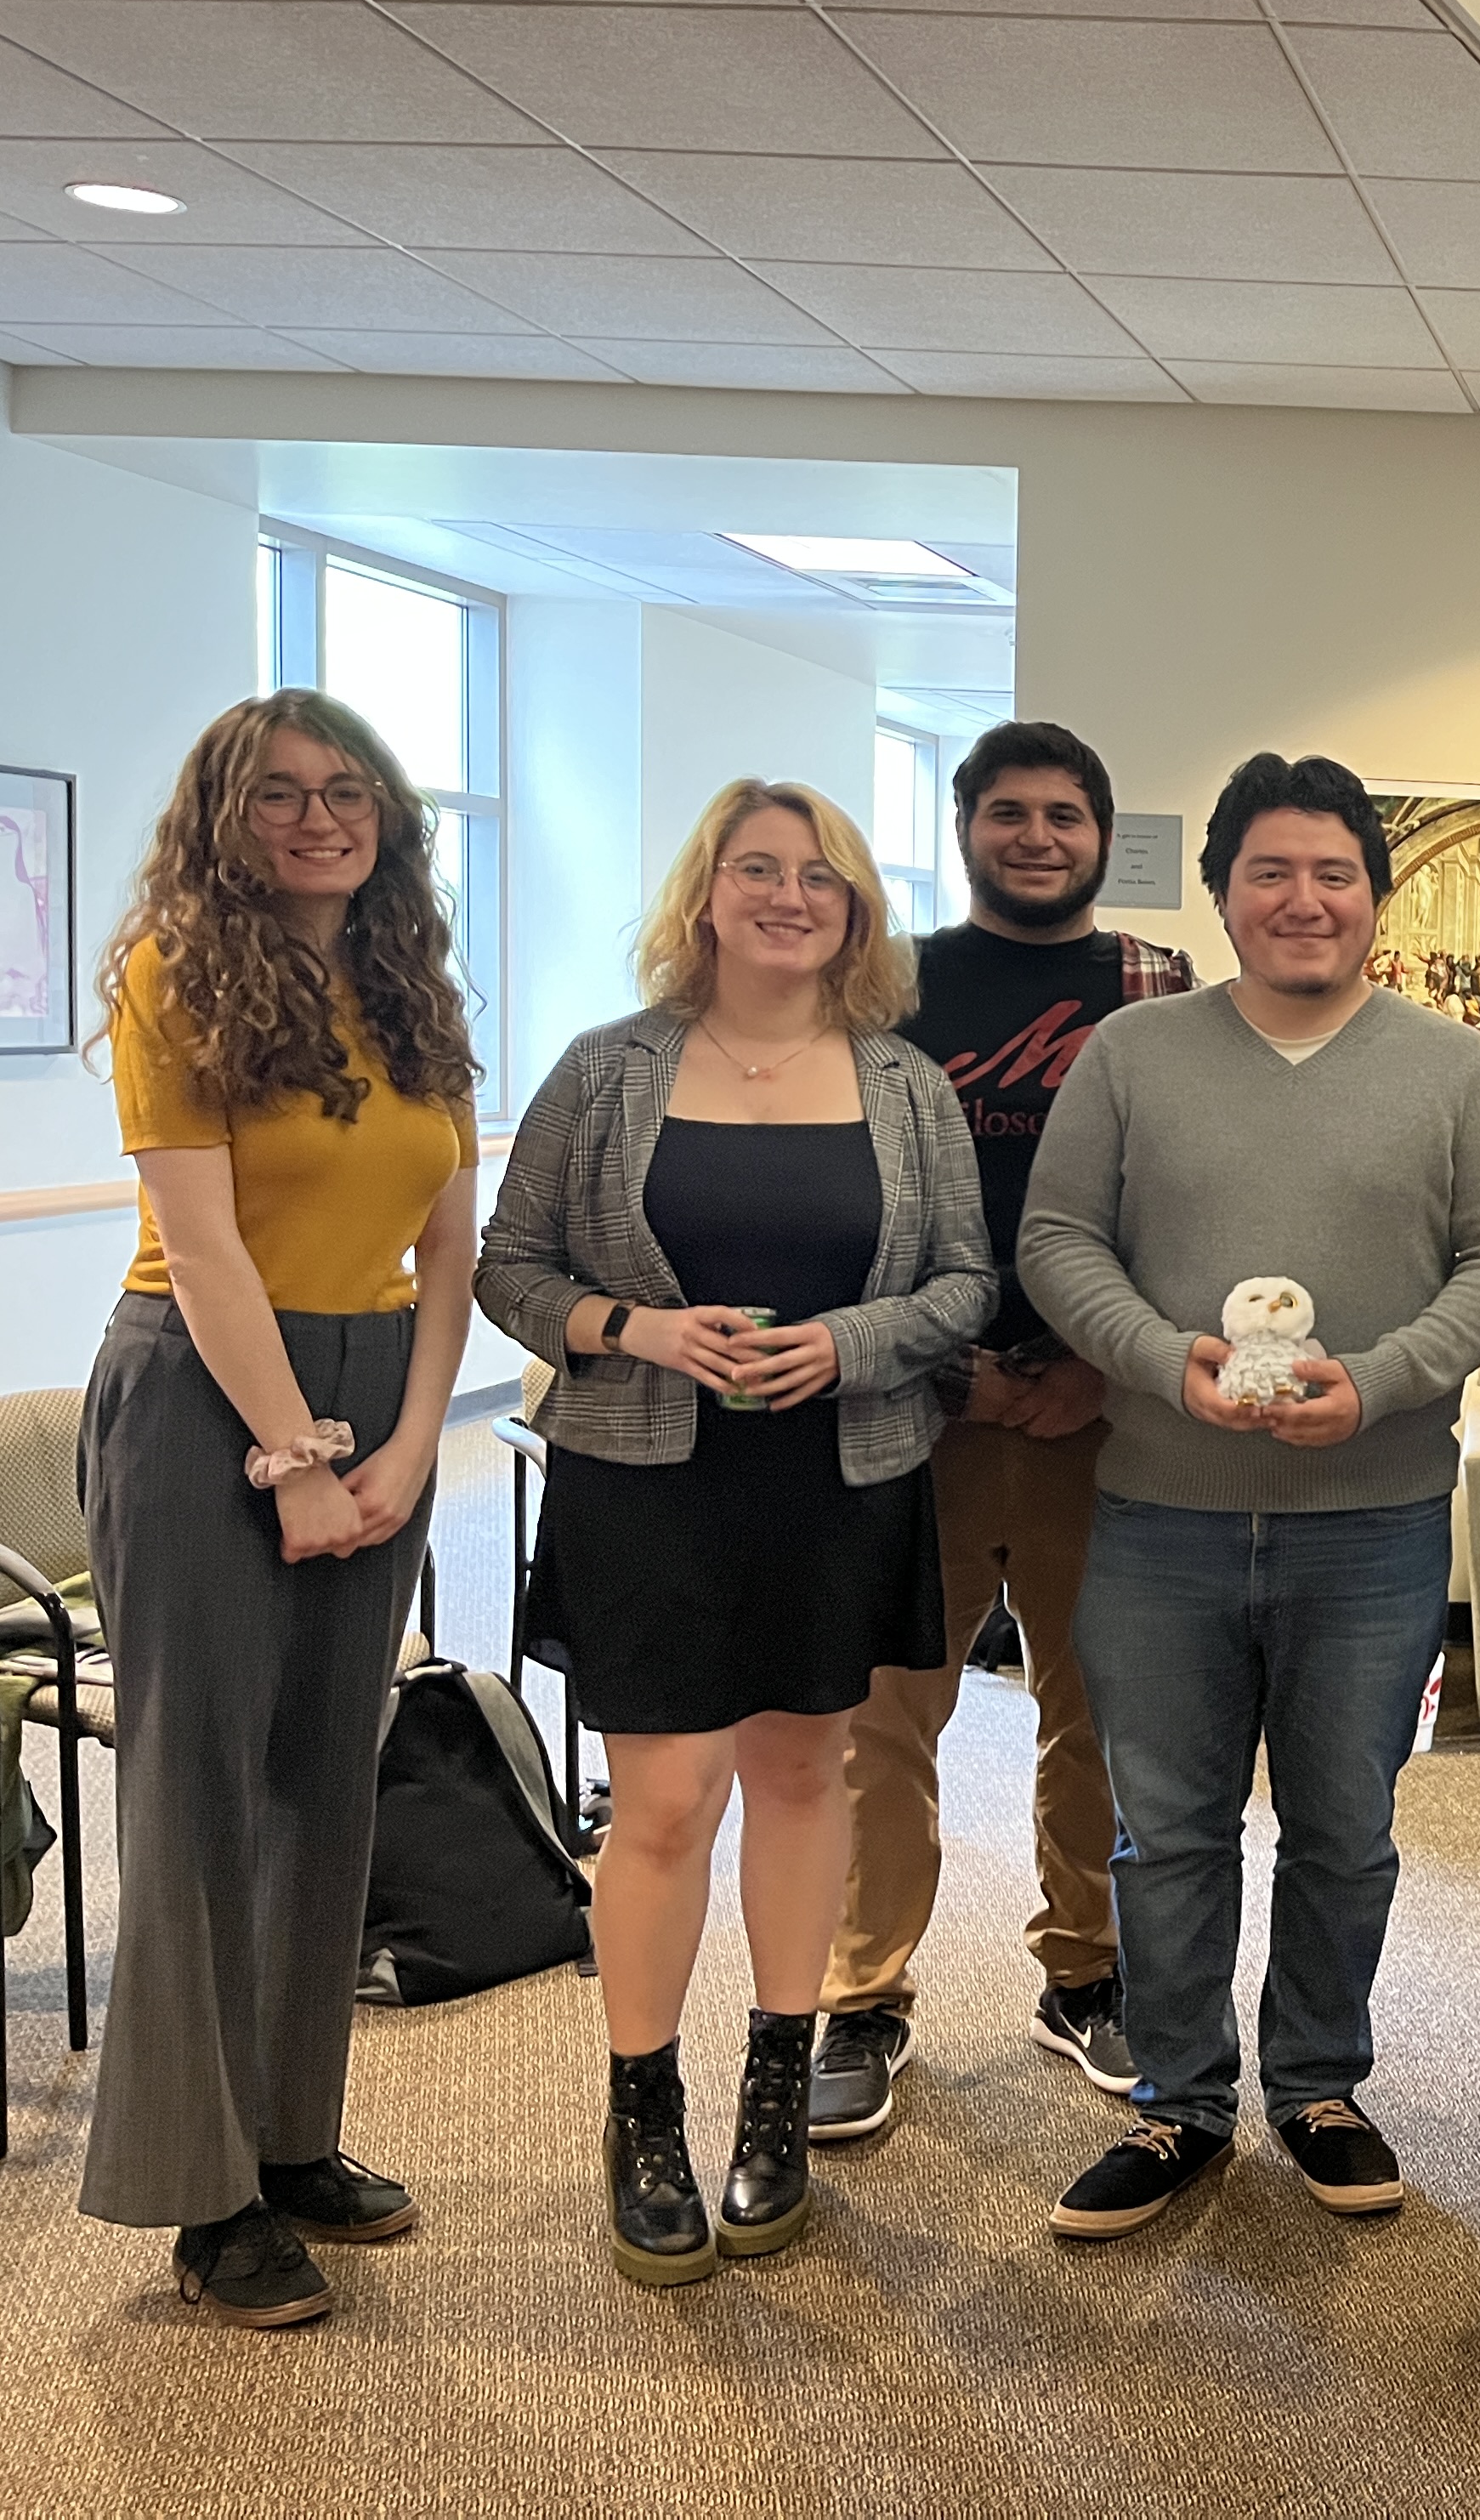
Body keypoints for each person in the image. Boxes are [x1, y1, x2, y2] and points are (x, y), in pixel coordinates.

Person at [1020, 752, 1480, 2238]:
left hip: (1373, 1523)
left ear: (1374, 899)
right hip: (1162, 1513)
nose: (1303, 900)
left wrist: (1377, 1380)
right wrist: (1158, 1360)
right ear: (1224, 893)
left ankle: (1316, 2083)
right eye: (1271, 872)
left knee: (1343, 1827)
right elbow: (1062, 1242)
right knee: (1166, 1828)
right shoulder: (1132, 1053)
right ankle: (1179, 2103)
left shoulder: (1460, 1073)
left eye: (1334, 874)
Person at [479, 779, 992, 2286]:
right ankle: (644, 2114)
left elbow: (964, 1284)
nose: (788, 894)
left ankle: (778, 2089)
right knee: (663, 1803)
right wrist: (628, 1324)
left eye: (818, 875)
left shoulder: (904, 1085)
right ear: (705, 893)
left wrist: (851, 1342)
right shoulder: (604, 1071)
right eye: (756, 869)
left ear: (855, 909)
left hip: (837, 1481)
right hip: (647, 1482)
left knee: (801, 1770)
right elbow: (515, 1267)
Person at [77, 691, 479, 2328]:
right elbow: (209, 1238)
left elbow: (446, 1243)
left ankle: (292, 2138)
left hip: (379, 1385)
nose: (320, 818)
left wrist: (410, 1444)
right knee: (198, 1789)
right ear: (224, 820)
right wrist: (296, 1462)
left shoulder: (411, 986)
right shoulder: (179, 973)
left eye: (347, 792)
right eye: (280, 796)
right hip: (201, 1393)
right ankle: (203, 2195)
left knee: (329, 1781)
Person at [808, 722, 1196, 2142]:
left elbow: (1186, 1195)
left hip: (1107, 1409)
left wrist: (1102, 1369)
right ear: (966, 825)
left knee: (1098, 1710)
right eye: (1010, 814)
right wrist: (952, 1373)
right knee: (886, 1713)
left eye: (1066, 816)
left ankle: (1086, 1975)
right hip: (922, 1405)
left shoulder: (1156, 984)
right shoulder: (889, 987)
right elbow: (852, 1188)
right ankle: (861, 1997)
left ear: (1102, 834)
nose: (1039, 837)